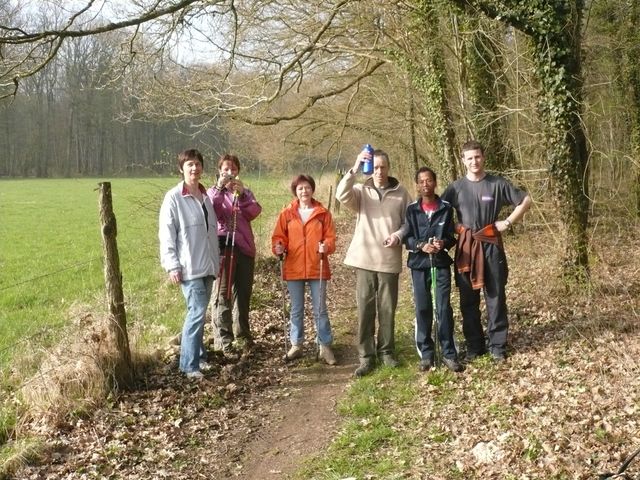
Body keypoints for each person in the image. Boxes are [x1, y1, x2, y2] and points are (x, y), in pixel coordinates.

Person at [441, 140, 532, 362]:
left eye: (478, 157)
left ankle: (498, 345)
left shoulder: (497, 184)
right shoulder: (456, 188)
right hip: (466, 248)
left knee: (495, 296)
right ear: (463, 161)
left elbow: (525, 200)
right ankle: (475, 345)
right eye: (470, 158)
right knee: (467, 298)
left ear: (484, 157)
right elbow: (440, 211)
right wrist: (454, 229)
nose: (474, 161)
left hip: (491, 245)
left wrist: (508, 222)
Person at [336, 148, 412, 377]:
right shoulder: (361, 191)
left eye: (383, 167)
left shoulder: (401, 193)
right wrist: (355, 167)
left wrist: (398, 235)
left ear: (389, 168)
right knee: (365, 310)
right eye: (375, 167)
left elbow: (410, 222)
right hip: (365, 259)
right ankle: (366, 357)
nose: (379, 171)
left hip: (389, 260)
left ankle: (387, 352)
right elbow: (341, 195)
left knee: (387, 309)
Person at [159, 149, 220, 379]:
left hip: (208, 266)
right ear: (181, 169)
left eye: (197, 164)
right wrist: (172, 265)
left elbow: (210, 233)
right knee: (196, 313)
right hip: (189, 267)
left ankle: (200, 356)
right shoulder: (174, 198)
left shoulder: (205, 197)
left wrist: (216, 262)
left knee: (199, 312)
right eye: (189, 165)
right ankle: (188, 365)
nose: (194, 169)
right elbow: (167, 234)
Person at [271, 174, 337, 365]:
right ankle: (296, 345)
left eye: (307, 187)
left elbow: (331, 238)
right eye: (300, 188)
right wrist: (278, 247)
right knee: (296, 309)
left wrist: (327, 246)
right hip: (293, 267)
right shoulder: (287, 214)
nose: (304, 191)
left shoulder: (323, 213)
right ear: (295, 191)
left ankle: (324, 346)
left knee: (320, 309)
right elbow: (278, 237)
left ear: (312, 189)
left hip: (318, 266)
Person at [404, 167, 462, 373]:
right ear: (417, 185)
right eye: (421, 181)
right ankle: (426, 353)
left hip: (440, 264)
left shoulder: (446, 208)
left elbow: (451, 236)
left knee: (443, 308)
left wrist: (442, 243)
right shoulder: (411, 209)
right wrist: (420, 245)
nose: (425, 184)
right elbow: (407, 237)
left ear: (435, 183)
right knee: (423, 308)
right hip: (419, 265)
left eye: (429, 180)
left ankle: (448, 353)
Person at [207, 154, 262, 357]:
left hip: (245, 247)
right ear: (219, 170)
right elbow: (213, 209)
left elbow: (254, 212)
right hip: (225, 248)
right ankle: (224, 340)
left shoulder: (244, 192)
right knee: (223, 295)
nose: (230, 172)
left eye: (233, 169)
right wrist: (221, 188)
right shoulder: (213, 191)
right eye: (226, 168)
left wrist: (244, 196)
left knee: (243, 293)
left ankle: (243, 335)